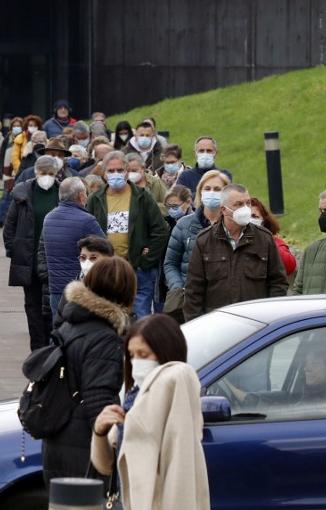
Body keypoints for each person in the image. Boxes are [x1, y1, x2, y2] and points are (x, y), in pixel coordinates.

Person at [91, 314, 209, 510]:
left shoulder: (174, 380)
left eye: (143, 355)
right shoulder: (136, 393)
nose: (136, 362)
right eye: (131, 355)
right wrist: (100, 432)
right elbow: (108, 465)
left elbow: (180, 463)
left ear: (165, 351)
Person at [43, 256, 133, 483]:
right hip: (85, 450)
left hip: (59, 440)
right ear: (124, 292)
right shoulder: (104, 338)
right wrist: (109, 443)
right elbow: (98, 399)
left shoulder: (71, 323)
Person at [182, 183, 288, 321]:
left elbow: (278, 283)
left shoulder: (264, 238)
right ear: (223, 210)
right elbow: (194, 290)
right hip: (217, 324)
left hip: (256, 324)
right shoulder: (205, 241)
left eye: (247, 203)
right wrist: (196, 326)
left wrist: (271, 318)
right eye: (238, 204)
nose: (245, 209)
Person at [87, 151, 170, 318]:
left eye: (120, 170)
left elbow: (161, 229)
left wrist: (146, 258)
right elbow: (88, 232)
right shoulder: (95, 199)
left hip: (138, 269)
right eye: (111, 171)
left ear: (126, 171)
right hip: (106, 269)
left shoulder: (142, 197)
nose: (116, 174)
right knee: (108, 317)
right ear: (104, 173)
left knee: (141, 318)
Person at [3, 155, 61, 351]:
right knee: (33, 307)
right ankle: (37, 349)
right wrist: (14, 251)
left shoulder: (63, 193)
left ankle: (53, 348)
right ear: (36, 173)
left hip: (55, 261)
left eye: (50, 173)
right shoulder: (23, 194)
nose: (47, 177)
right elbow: (10, 225)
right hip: (30, 260)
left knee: (53, 307)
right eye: (43, 173)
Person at [163, 169, 229, 312]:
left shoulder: (233, 226)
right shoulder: (183, 225)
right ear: (200, 192)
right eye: (207, 188)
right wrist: (178, 287)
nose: (212, 192)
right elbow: (170, 263)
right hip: (190, 301)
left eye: (217, 189)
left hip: (225, 302)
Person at [41, 177, 105, 318]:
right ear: (81, 196)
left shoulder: (48, 218)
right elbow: (106, 250)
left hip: (55, 289)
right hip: (79, 290)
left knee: (59, 333)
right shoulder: (87, 220)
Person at [248, 196, 297, 282]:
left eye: (254, 216)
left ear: (264, 221)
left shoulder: (273, 241)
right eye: (246, 216)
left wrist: (266, 241)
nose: (250, 220)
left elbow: (289, 265)